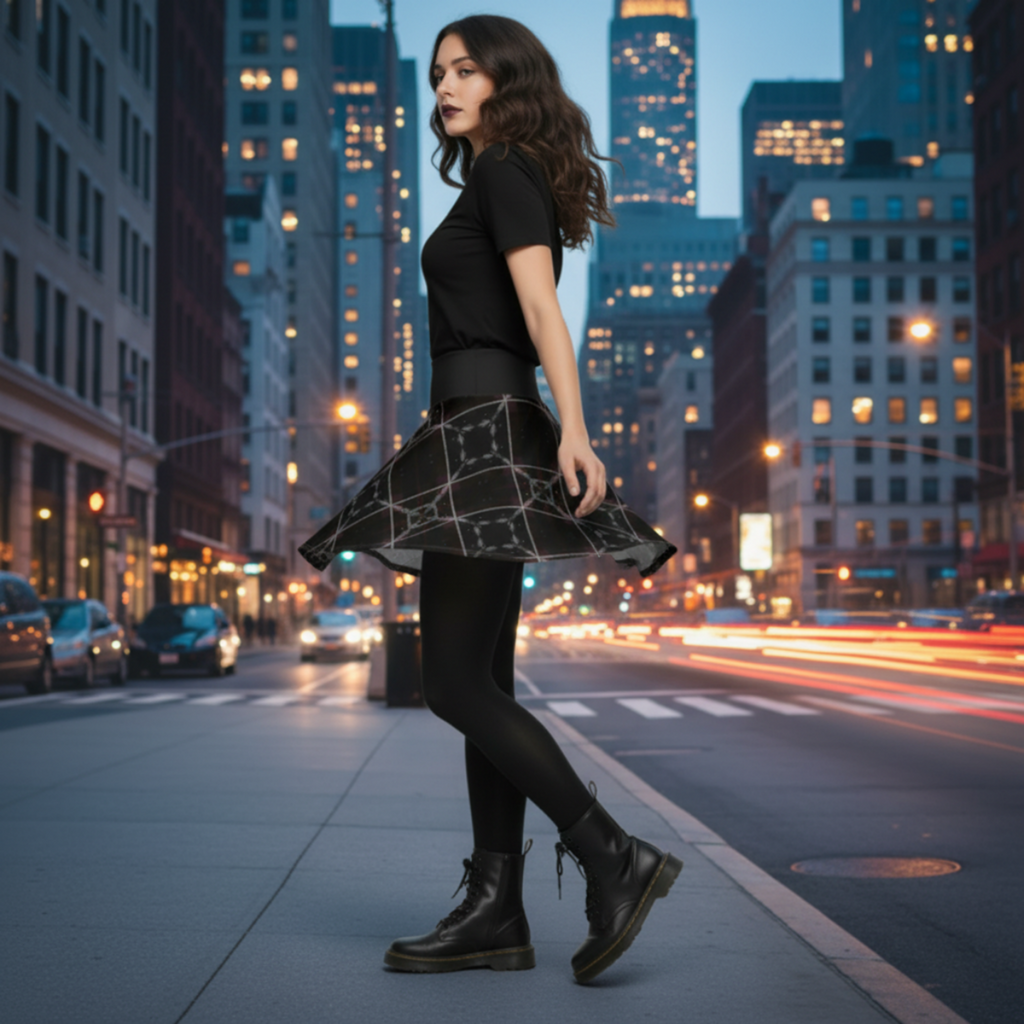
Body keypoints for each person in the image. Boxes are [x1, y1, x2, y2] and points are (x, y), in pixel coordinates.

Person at [299, 15, 680, 984]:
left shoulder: (506, 174)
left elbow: (543, 306)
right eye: (437, 73)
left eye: (465, 69)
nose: (444, 87)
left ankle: (610, 851)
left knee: (452, 683)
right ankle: (497, 907)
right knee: (484, 687)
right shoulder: (491, 178)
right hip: (473, 430)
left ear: (507, 80)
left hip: (485, 435)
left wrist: (579, 429)